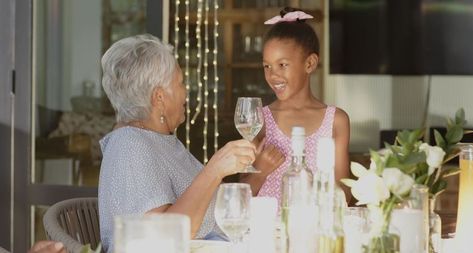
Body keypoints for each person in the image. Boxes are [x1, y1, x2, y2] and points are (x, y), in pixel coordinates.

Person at [98, 34, 256, 252]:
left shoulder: (159, 140)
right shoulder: (130, 145)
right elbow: (161, 238)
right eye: (180, 82)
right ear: (159, 97)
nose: (186, 91)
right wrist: (214, 169)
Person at [241, 7, 351, 207]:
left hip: (314, 230)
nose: (273, 75)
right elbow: (243, 194)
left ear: (310, 63)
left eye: (282, 65)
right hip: (268, 230)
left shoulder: (336, 121)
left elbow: (344, 192)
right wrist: (261, 169)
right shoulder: (260, 120)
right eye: (267, 66)